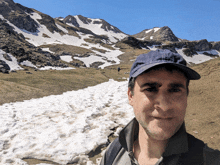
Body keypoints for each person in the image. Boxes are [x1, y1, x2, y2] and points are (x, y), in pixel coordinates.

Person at [100, 49, 220, 165]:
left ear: (186, 96)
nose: (164, 106)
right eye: (150, 89)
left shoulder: (210, 160)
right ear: (131, 96)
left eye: (175, 90)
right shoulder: (113, 153)